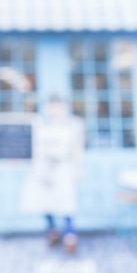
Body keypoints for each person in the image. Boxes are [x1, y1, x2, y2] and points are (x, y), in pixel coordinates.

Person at [20, 96, 84, 253]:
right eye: (52, 107)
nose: (55, 110)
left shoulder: (73, 125)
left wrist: (78, 171)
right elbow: (32, 146)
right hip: (43, 168)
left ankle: (70, 235)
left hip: (63, 168)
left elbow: (77, 150)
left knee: (66, 203)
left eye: (58, 106)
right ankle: (52, 231)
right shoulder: (39, 124)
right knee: (44, 202)